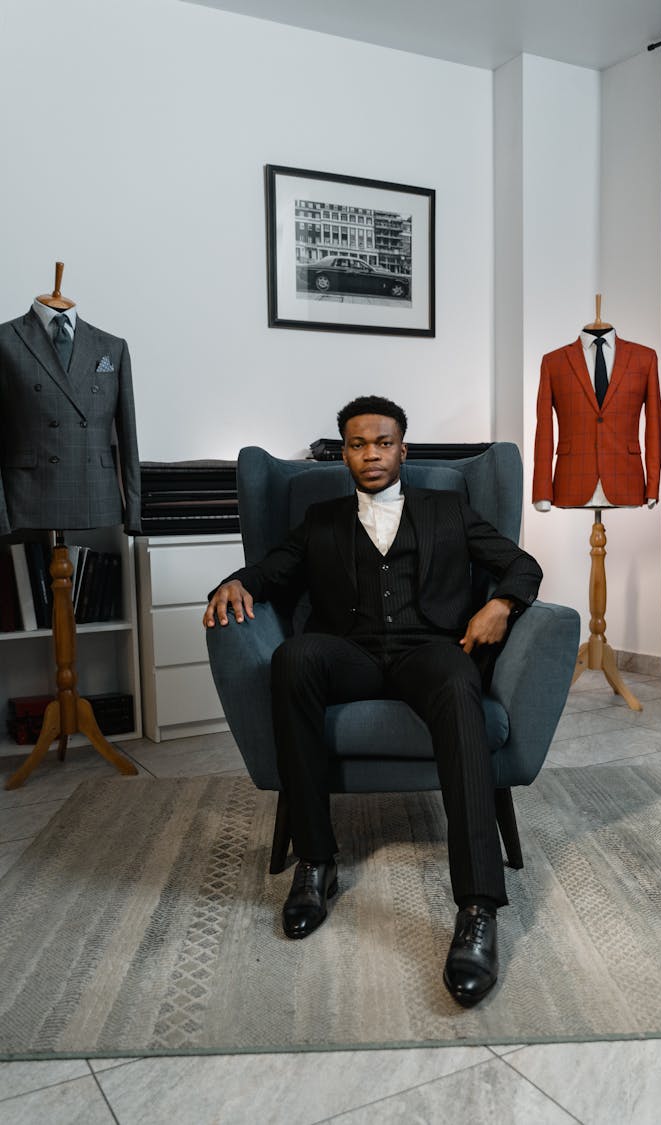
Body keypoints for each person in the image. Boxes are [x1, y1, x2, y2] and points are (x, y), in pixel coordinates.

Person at [204, 395, 542, 1006]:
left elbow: (521, 565)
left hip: (430, 650)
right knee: (294, 657)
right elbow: (270, 570)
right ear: (345, 455)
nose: (371, 454)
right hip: (351, 652)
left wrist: (500, 603)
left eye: (382, 443)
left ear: (403, 449)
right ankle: (315, 863)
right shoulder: (322, 521)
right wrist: (232, 583)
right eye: (358, 444)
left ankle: (477, 907)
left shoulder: (449, 508)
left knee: (460, 683)